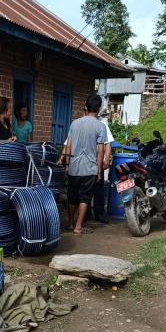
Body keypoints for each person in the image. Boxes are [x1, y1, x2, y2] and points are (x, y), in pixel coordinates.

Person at [58, 93, 106, 233]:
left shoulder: (75, 123)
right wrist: (99, 171)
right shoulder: (100, 126)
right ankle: (78, 226)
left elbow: (68, 146)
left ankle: (70, 224)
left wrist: (67, 166)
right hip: (90, 169)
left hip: (74, 167)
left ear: (86, 107)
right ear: (99, 109)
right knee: (84, 198)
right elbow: (100, 152)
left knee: (72, 197)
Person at [92, 112, 114, 223]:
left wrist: (106, 159)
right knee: (85, 189)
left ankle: (99, 213)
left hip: (98, 160)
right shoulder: (80, 124)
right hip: (85, 161)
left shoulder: (102, 125)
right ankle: (85, 214)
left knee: (99, 187)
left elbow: (108, 143)